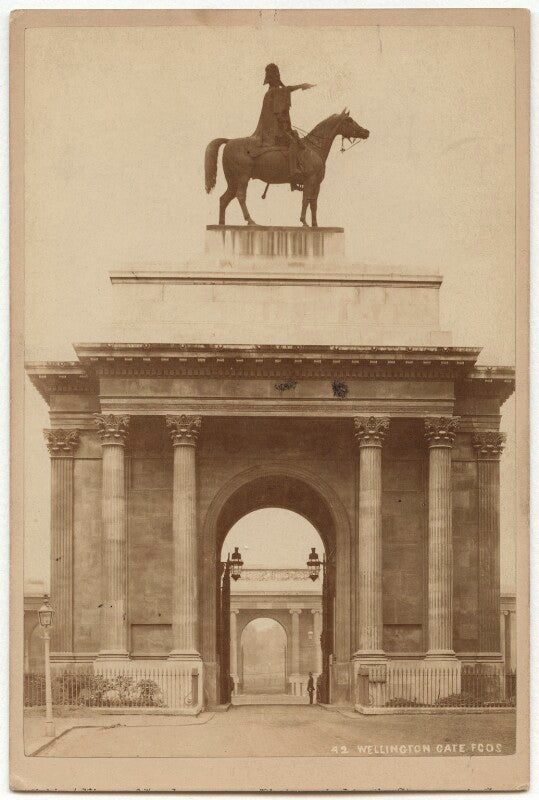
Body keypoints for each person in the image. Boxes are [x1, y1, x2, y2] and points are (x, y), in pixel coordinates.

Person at [252, 63, 315, 190]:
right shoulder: (274, 92)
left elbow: (287, 89)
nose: (279, 76)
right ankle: (294, 173)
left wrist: (301, 86)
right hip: (275, 132)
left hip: (275, 129)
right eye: (277, 74)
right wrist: (285, 127)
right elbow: (279, 113)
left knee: (295, 139)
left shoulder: (273, 92)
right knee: (294, 143)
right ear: (274, 77)